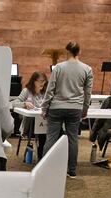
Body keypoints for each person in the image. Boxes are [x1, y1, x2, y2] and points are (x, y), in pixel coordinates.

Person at [41, 41, 93, 178]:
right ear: (79, 52)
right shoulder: (87, 69)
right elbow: (88, 93)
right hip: (75, 108)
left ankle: (45, 169)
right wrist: (85, 109)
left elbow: (50, 90)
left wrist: (44, 107)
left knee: (51, 138)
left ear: (67, 52)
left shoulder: (58, 68)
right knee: (72, 138)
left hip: (56, 107)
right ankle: (72, 170)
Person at [11, 71, 48, 161]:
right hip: (31, 123)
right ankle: (41, 156)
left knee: (50, 130)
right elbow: (14, 103)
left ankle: (44, 155)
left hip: (44, 120)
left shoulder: (46, 91)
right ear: (34, 81)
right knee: (43, 132)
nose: (42, 83)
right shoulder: (26, 91)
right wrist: (24, 104)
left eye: (44, 81)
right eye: (40, 81)